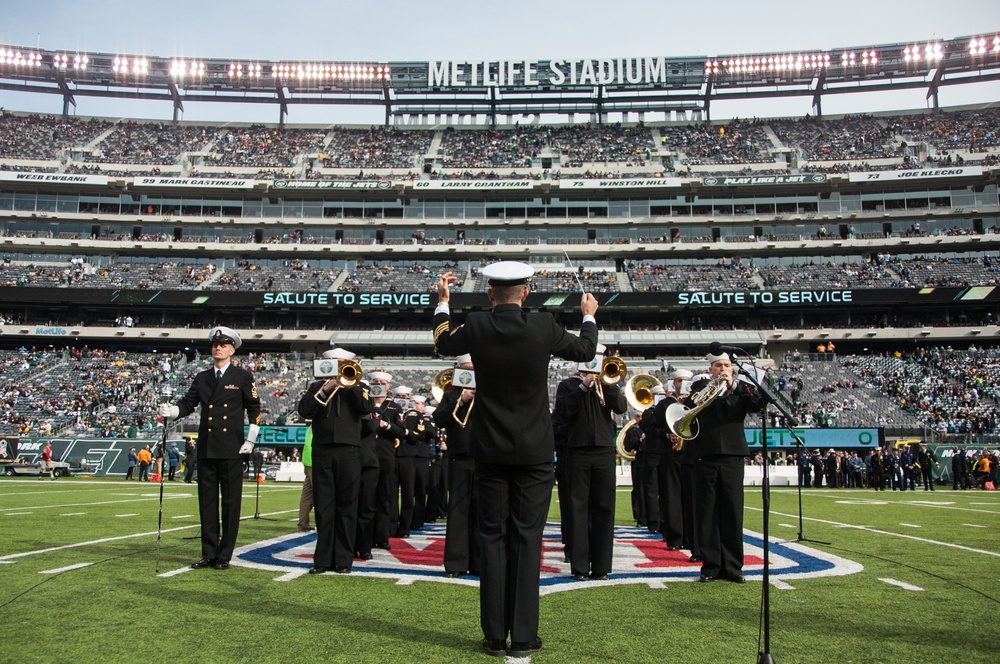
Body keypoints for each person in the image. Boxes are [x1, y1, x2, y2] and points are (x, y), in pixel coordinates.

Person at [433, 261, 598, 658]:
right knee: (527, 538)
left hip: (489, 450)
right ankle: (523, 634)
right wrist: (589, 316)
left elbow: (441, 341)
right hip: (535, 452)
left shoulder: (475, 324)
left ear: (490, 294)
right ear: (525, 293)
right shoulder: (543, 325)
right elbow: (586, 350)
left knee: (491, 538)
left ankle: (494, 635)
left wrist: (443, 303)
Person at [159, 326, 262, 571]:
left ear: (232, 349)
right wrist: (172, 412)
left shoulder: (242, 377)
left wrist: (250, 440)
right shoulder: (202, 378)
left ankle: (225, 554)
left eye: (224, 345)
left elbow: (255, 410)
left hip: (232, 449)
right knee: (206, 503)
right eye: (215, 345)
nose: (218, 348)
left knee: (230, 503)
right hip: (207, 448)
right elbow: (188, 404)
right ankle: (208, 553)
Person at [685, 350, 763, 584]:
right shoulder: (700, 389)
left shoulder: (741, 390)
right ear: (710, 369)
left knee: (732, 510)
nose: (722, 369)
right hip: (705, 456)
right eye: (717, 366)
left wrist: (734, 386)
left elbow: (757, 404)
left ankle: (733, 566)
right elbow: (687, 410)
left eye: (726, 365)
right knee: (707, 513)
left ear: (732, 368)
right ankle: (710, 565)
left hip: (732, 456)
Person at [553, 347, 627, 581]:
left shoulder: (608, 383)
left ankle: (602, 566)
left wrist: (609, 384)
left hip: (604, 451)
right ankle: (580, 566)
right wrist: (584, 385)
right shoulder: (567, 386)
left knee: (604, 507)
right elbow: (562, 412)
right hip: (577, 452)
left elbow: (621, 407)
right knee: (578, 509)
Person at [298, 347, 373, 574]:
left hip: (349, 451)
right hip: (322, 450)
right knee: (324, 506)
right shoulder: (315, 387)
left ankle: (343, 560)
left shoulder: (359, 387)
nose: (337, 368)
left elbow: (366, 409)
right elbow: (304, 410)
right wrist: (325, 390)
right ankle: (322, 560)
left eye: (340, 364)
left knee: (347, 505)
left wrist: (348, 385)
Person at [435, 353, 480, 579]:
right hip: (459, 457)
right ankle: (455, 563)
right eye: (466, 369)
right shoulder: (450, 395)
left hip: (484, 458)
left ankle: (480, 562)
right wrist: (460, 399)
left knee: (483, 512)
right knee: (458, 511)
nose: (470, 373)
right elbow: (439, 418)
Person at [368, 370, 408, 550]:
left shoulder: (394, 407)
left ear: (388, 386)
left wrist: (386, 425)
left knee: (385, 497)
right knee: (367, 498)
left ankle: (382, 536)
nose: (379, 384)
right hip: (367, 454)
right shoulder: (365, 402)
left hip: (386, 455)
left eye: (382, 382)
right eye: (375, 381)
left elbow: (401, 432)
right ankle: (366, 536)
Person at [297, 427, 315, 532]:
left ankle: (303, 524)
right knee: (320, 495)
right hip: (315, 460)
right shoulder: (320, 424)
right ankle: (323, 525)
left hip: (307, 460)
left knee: (307, 495)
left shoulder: (310, 428)